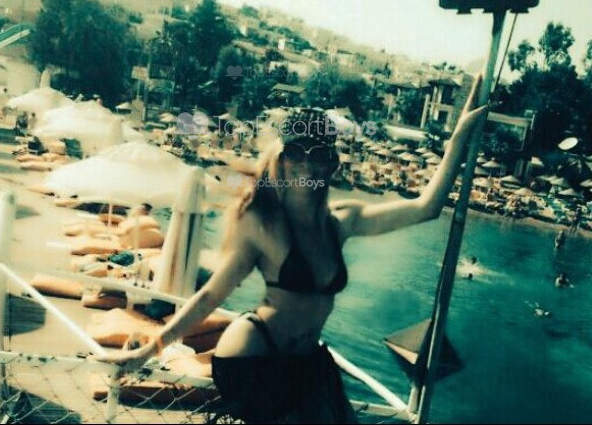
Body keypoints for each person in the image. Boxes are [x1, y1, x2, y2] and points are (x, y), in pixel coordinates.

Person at [100, 76, 486, 424]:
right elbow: (210, 296)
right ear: (281, 160)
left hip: (306, 361)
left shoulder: (342, 222)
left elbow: (426, 208)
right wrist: (148, 350)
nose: (307, 164)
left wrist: (459, 139)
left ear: (332, 164)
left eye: (318, 154)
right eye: (296, 152)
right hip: (253, 355)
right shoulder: (263, 223)